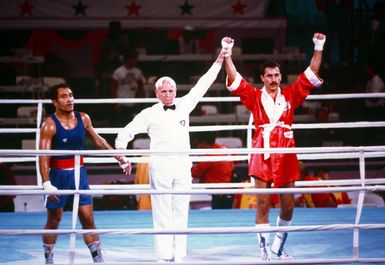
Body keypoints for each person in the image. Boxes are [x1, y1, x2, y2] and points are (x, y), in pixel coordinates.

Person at [115, 47, 228, 262]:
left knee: (181, 211)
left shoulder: (185, 105)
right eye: (164, 91)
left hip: (183, 166)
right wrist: (121, 152)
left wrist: (220, 59)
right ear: (157, 93)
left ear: (175, 91)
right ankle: (164, 256)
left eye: (171, 91)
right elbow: (125, 132)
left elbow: (203, 84)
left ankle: (179, 255)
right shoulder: (148, 113)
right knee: (162, 212)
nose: (168, 94)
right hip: (160, 167)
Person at [221, 32, 326, 260]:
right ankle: (263, 248)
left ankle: (278, 245)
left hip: (286, 151)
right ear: (263, 78)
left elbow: (311, 73)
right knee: (262, 204)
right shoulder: (254, 96)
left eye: (277, 75)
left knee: (288, 205)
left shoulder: (291, 94)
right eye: (269, 76)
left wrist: (319, 46)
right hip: (263, 150)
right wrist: (227, 54)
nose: (274, 79)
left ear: (280, 76)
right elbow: (235, 79)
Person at [39, 83, 127, 264]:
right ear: (54, 101)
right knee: (54, 220)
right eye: (63, 96)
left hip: (80, 174)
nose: (69, 99)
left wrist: (118, 156)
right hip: (58, 176)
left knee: (88, 219)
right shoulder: (49, 125)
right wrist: (46, 183)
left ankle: (98, 259)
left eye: (71, 95)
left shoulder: (83, 118)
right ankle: (48, 259)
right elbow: (43, 157)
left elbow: (98, 140)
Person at [191, 132, 234, 209]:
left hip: (216, 194)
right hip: (231, 191)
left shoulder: (208, 156)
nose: (197, 147)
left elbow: (194, 174)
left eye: (198, 144)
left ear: (204, 143)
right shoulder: (225, 148)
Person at [111, 48, 145, 125]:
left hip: (132, 103)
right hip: (121, 103)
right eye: (133, 59)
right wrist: (115, 103)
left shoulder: (138, 72)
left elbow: (141, 87)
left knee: (132, 125)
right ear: (127, 59)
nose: (135, 61)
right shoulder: (118, 71)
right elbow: (113, 87)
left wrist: (139, 99)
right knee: (119, 124)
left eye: (136, 59)